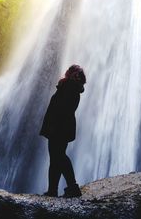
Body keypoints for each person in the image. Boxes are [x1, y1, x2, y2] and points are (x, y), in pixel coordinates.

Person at [40, 64, 86, 198]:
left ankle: (72, 187)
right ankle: (53, 190)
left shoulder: (68, 87)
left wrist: (52, 125)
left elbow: (62, 108)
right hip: (62, 127)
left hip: (59, 127)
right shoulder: (72, 88)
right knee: (56, 158)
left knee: (58, 156)